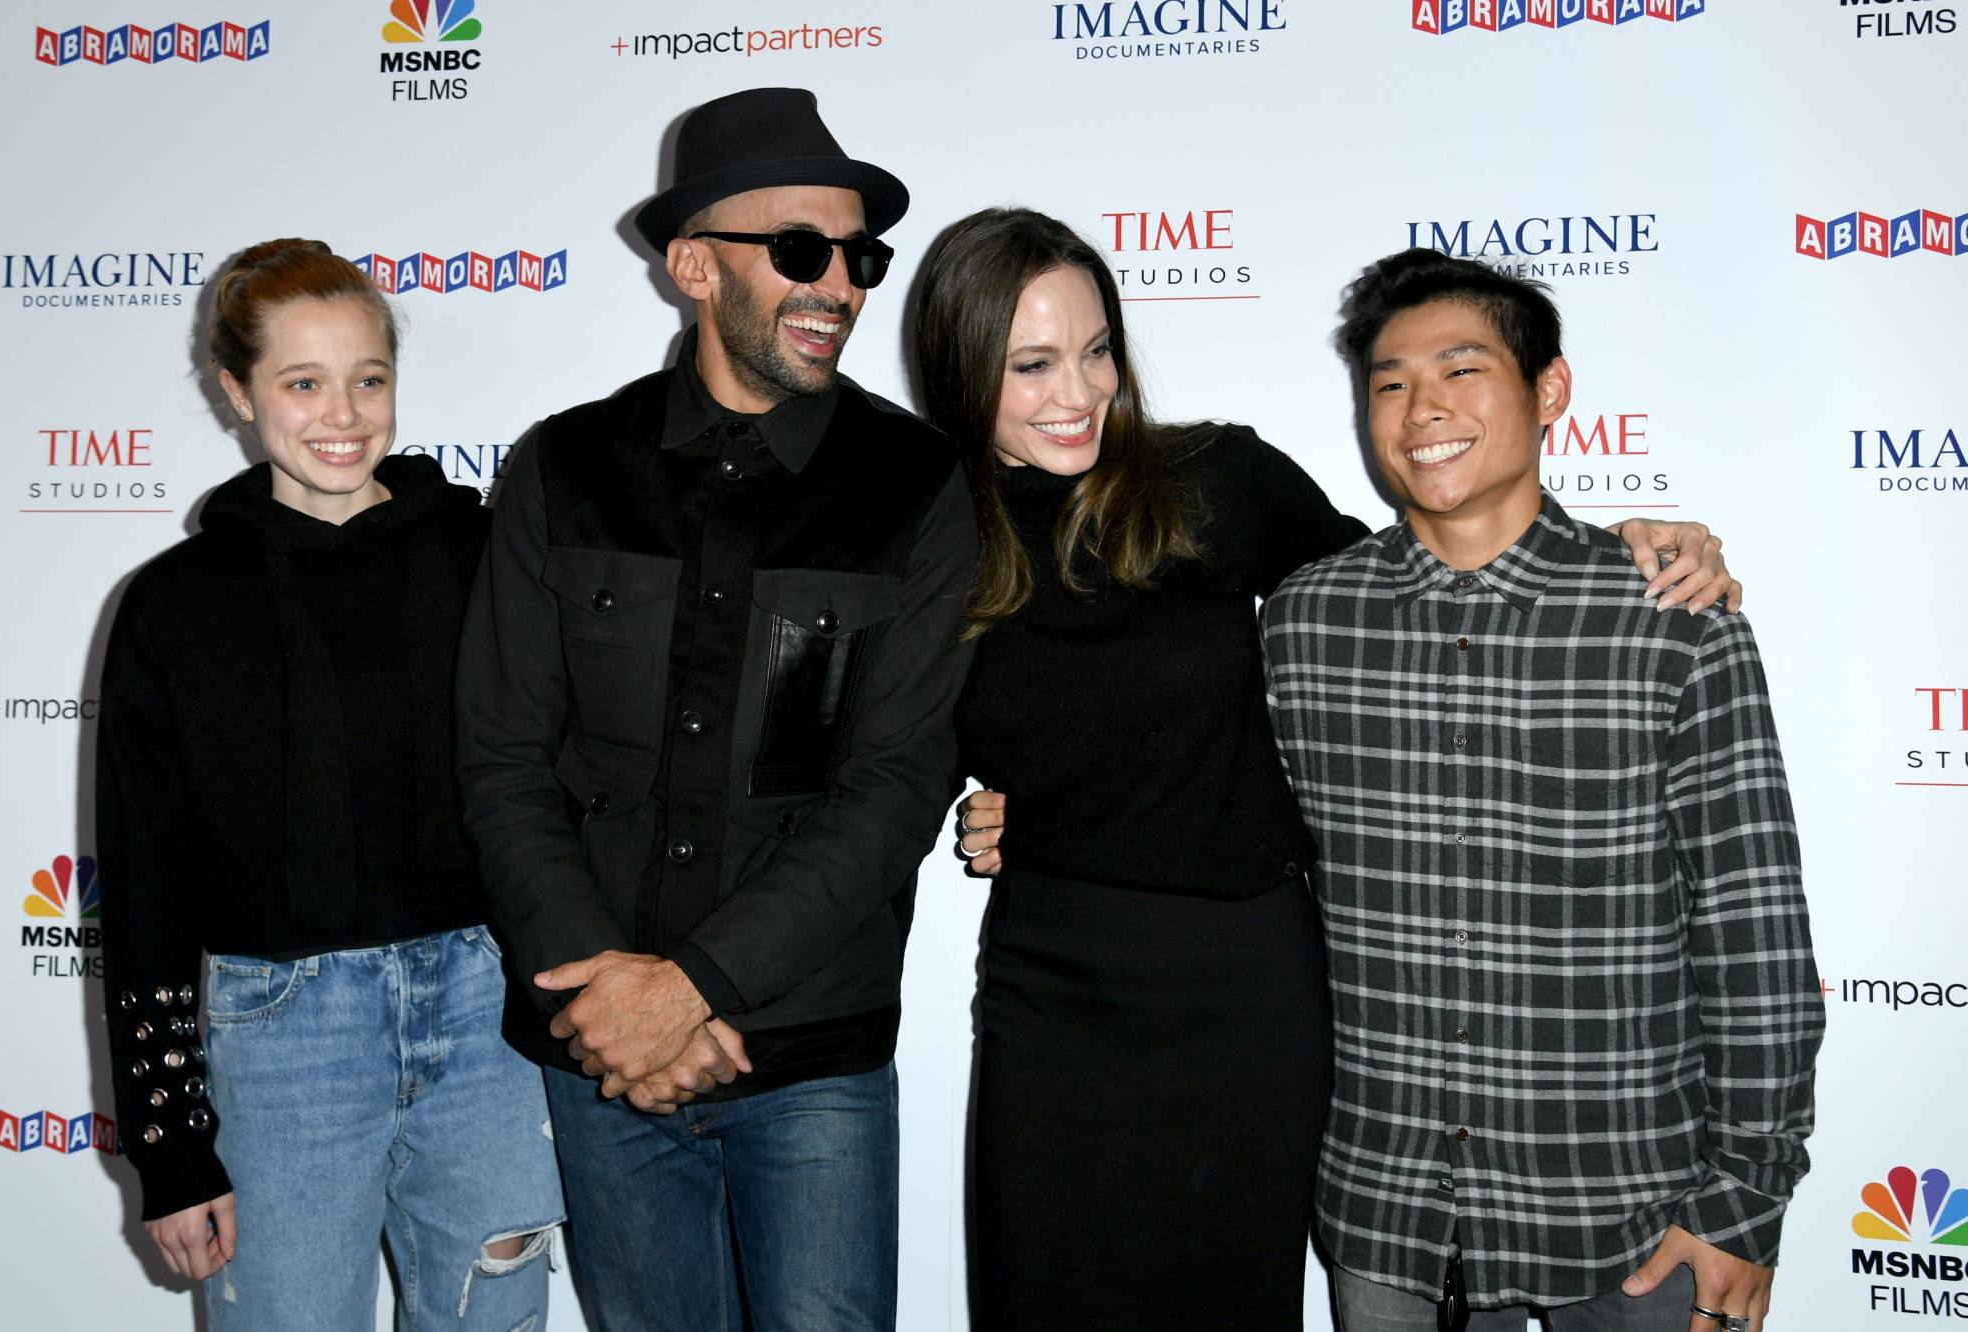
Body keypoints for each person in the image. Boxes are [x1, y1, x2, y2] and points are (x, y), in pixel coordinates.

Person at [922, 209, 1740, 1330]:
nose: (1078, 391)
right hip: (1054, 990)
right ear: (961, 371)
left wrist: (1629, 544)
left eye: (1096, 349)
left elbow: (1425, 594)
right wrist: (990, 808)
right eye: (1030, 365)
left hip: (1248, 989)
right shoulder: (927, 539)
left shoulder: (1219, 478)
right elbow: (887, 753)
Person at [454, 88, 977, 1331]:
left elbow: (896, 781)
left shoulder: (914, 486)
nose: (841, 285)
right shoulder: (565, 468)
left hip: (809, 1055)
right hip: (599, 1054)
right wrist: (611, 1010)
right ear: (694, 266)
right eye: (801, 249)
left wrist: (690, 985)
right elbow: (502, 760)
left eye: (860, 256)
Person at [1262, 248, 1823, 1332]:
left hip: (1636, 1219)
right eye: (1389, 382)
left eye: (1461, 370)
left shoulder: (1668, 616)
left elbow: (1751, 927)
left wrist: (1745, 1199)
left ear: (1548, 390)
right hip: (1389, 1217)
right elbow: (1206, 812)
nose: (1422, 407)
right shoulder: (1302, 622)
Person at [97, 239, 563, 1330]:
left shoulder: (488, 558)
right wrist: (168, 1145)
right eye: (301, 382)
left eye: (368, 378)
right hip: (283, 1032)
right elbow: (147, 877)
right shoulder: (174, 605)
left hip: (490, 1015)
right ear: (237, 393)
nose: (341, 414)